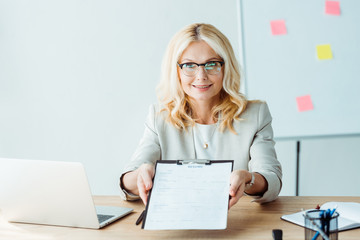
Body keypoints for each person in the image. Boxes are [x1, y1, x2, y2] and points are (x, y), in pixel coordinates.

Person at [119, 23, 282, 208]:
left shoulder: (255, 114)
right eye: (189, 65)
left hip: (236, 220)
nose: (201, 75)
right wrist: (140, 175)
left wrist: (248, 179)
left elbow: (272, 181)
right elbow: (127, 181)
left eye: (212, 64)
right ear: (177, 71)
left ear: (226, 68)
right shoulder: (159, 117)